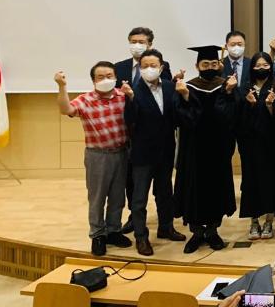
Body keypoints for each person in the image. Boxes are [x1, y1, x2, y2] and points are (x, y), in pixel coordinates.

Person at [54, 63, 132, 256]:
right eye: (100, 77)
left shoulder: (124, 96)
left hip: (122, 153)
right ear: (93, 80)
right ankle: (97, 235)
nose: (106, 80)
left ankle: (114, 230)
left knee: (117, 197)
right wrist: (62, 86)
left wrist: (131, 95)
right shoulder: (85, 100)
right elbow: (66, 109)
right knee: (97, 197)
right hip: (98, 155)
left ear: (115, 77)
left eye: (109, 75)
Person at [124, 49, 188, 255]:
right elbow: (129, 120)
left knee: (165, 193)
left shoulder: (169, 87)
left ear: (161, 68)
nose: (149, 69)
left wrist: (184, 95)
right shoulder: (133, 90)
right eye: (145, 66)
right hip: (143, 153)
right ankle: (141, 236)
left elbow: (176, 116)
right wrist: (130, 99)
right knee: (139, 198)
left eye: (153, 65)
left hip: (166, 150)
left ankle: (166, 228)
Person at [174, 46, 238, 253]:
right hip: (193, 150)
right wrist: (185, 96)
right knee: (193, 189)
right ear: (197, 66)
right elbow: (187, 120)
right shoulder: (188, 87)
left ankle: (212, 231)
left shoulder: (226, 86)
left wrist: (228, 92)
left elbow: (227, 117)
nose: (209, 67)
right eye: (205, 64)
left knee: (216, 188)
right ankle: (196, 232)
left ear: (219, 65)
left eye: (213, 64)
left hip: (218, 149)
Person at [235, 52, 275, 241]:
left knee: (271, 182)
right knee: (251, 183)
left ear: (270, 67)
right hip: (250, 146)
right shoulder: (245, 88)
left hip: (272, 145)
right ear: (252, 68)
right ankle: (253, 221)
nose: (261, 68)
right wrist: (250, 106)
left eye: (265, 65)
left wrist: (270, 107)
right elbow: (238, 120)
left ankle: (269, 221)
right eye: (257, 65)